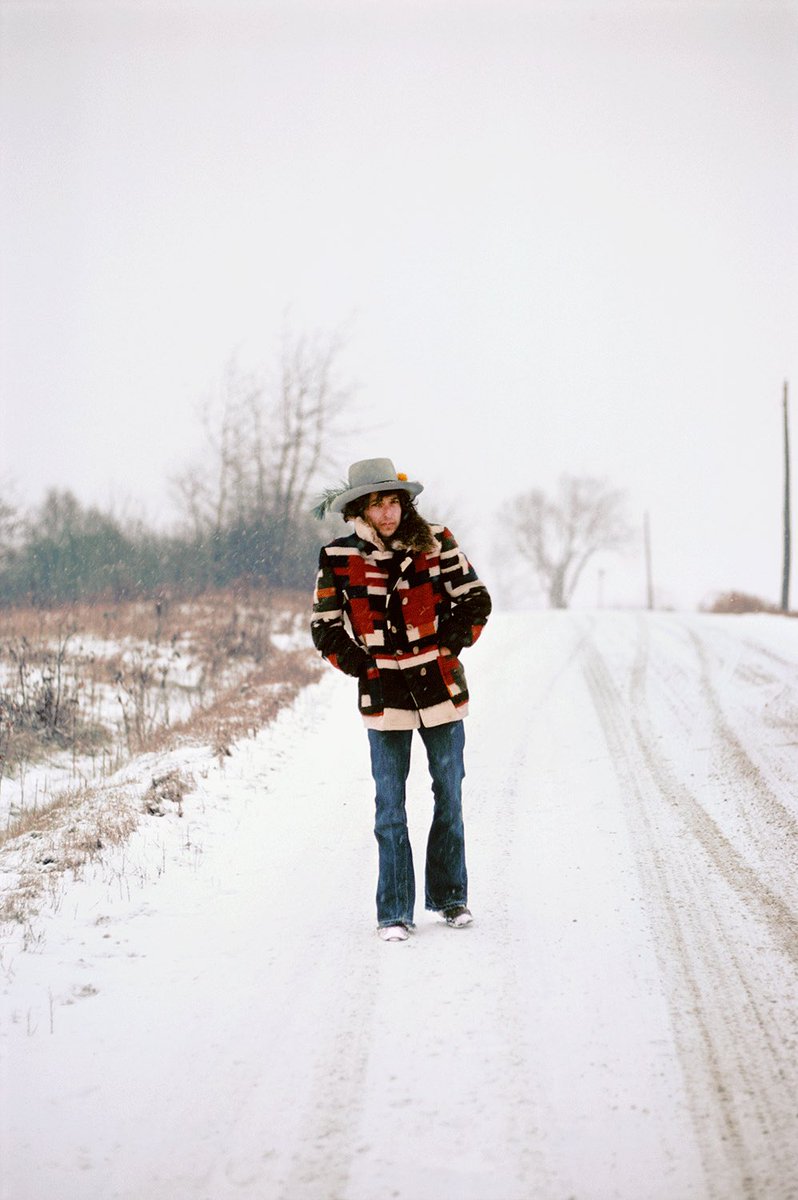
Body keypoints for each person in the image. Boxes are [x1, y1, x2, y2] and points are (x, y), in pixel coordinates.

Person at [311, 457, 491, 942]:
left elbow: (476, 599)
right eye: (377, 505)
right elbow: (324, 629)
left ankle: (451, 898)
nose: (387, 513)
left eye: (393, 502)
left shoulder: (435, 541)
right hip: (383, 691)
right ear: (360, 510)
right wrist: (364, 665)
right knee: (389, 807)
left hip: (441, 687)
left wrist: (447, 644)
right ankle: (394, 912)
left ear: (403, 502)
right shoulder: (338, 556)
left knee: (448, 793)